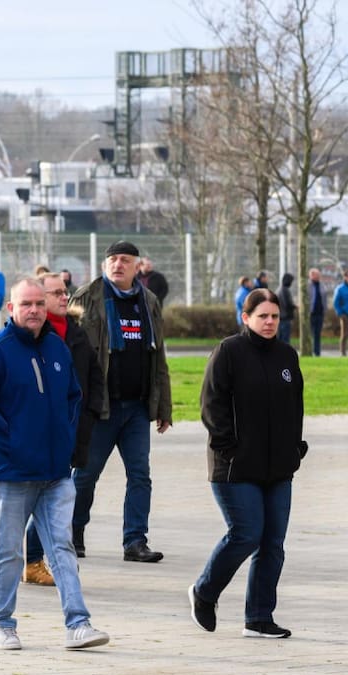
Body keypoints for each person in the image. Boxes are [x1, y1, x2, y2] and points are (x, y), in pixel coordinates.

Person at [0, 277, 109, 651]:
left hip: (55, 473)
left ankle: (78, 624)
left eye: (38, 304)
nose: (34, 310)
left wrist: (63, 443)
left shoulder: (57, 348)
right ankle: (0, 624)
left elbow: (73, 398)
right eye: (26, 304)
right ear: (11, 309)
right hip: (13, 473)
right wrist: (15, 447)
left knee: (61, 547)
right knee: (9, 550)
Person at [191, 288, 304, 639]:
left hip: (278, 468)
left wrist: (294, 448)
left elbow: (294, 407)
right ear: (246, 317)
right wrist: (229, 448)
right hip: (235, 468)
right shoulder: (229, 352)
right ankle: (204, 591)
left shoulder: (287, 355)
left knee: (273, 543)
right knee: (246, 534)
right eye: (262, 316)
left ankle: (258, 617)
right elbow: (211, 405)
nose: (269, 322)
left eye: (274, 316)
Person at [70, 240, 172, 562]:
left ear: (137, 266)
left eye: (125, 260)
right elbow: (73, 353)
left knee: (140, 475)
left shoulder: (149, 301)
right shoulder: (87, 297)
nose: (118, 265)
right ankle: (72, 534)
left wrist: (163, 407)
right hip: (100, 408)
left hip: (137, 408)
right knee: (85, 476)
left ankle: (135, 541)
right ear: (104, 265)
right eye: (113, 259)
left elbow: (159, 357)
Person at [22, 273, 104, 587]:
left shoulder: (76, 333)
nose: (64, 297)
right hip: (40, 434)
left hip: (73, 429)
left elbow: (94, 377)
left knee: (56, 499)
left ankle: (44, 560)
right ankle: (36, 560)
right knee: (46, 501)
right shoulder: (32, 336)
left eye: (64, 291)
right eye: (56, 292)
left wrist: (92, 412)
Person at [308, 268, 325, 356]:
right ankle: (309, 351)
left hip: (320, 313)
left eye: (319, 274)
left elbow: (324, 298)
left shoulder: (321, 285)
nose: (318, 276)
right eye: (316, 275)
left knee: (317, 333)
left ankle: (317, 352)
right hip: (310, 313)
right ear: (311, 275)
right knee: (310, 333)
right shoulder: (307, 285)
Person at [278, 273, 296, 345]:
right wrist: (294, 306)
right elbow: (287, 304)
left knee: (281, 338)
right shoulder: (285, 290)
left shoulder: (280, 289)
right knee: (285, 339)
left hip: (282, 317)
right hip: (285, 317)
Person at [333, 270, 348, 357]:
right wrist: (340, 313)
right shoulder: (340, 289)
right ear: (345, 277)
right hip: (344, 314)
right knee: (345, 333)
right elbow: (336, 302)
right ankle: (343, 352)